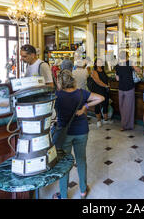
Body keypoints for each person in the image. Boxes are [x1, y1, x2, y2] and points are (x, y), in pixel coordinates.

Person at [53, 70, 104, 199]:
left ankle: (63, 195)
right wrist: (85, 107)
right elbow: (101, 98)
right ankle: (82, 190)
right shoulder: (81, 93)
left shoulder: (57, 95)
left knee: (64, 164)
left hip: (65, 133)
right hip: (82, 131)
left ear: (60, 82)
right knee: (81, 160)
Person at [115, 51, 141, 131]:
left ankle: (124, 125)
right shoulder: (130, 63)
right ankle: (127, 125)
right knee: (129, 107)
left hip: (121, 88)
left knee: (122, 107)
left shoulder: (117, 65)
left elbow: (117, 78)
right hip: (129, 88)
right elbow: (138, 70)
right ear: (127, 56)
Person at [89, 58, 111, 128]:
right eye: (98, 62)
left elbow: (106, 79)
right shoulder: (94, 71)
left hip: (104, 90)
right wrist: (106, 85)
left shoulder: (103, 70)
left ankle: (105, 119)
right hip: (97, 90)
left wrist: (108, 84)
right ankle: (98, 121)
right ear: (95, 63)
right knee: (97, 105)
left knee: (105, 104)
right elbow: (97, 81)